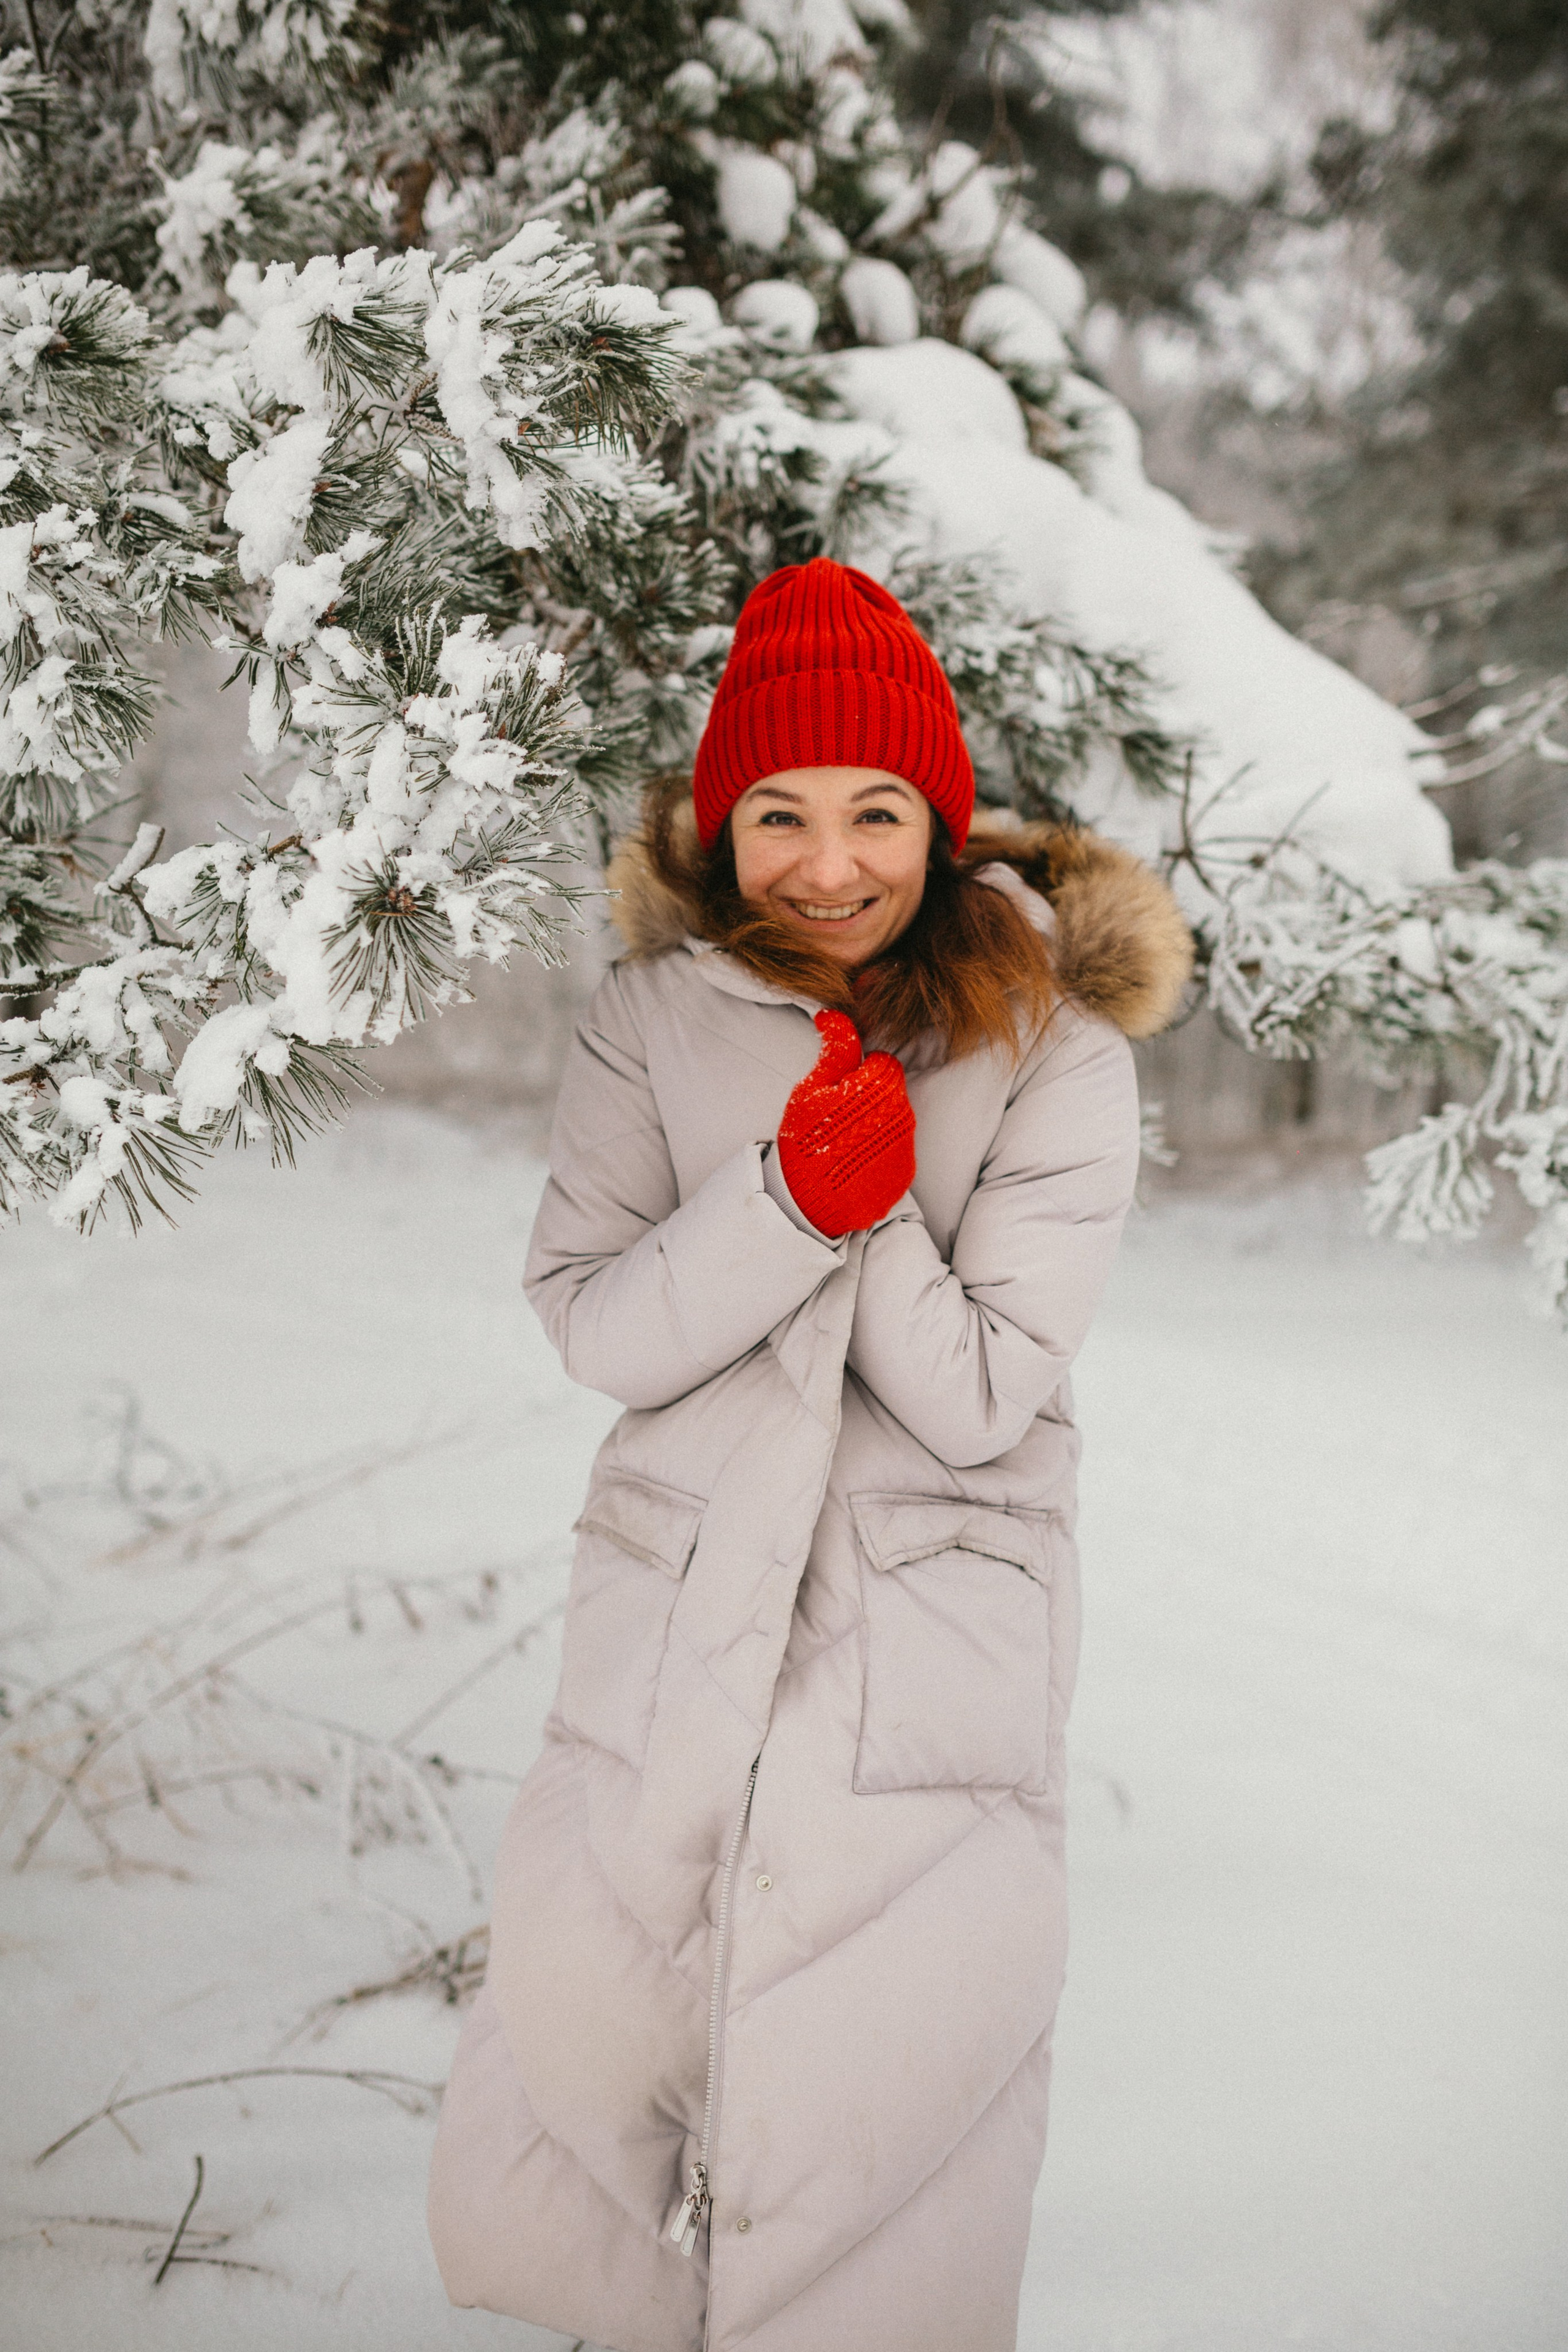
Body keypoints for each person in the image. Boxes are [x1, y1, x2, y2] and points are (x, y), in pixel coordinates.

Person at [428, 557, 1192, 2352]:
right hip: (672, 1624)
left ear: (940, 815)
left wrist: (869, 1216)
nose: (829, 863)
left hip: (926, 1662)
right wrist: (785, 1197)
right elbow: (595, 1323)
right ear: (721, 824)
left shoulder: (1058, 1051)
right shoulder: (649, 1020)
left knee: (879, 2135)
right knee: (613, 2075)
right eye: (777, 814)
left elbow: (988, 1390)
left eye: (873, 812)